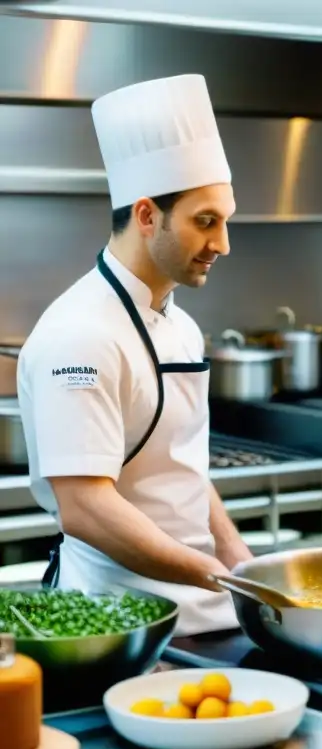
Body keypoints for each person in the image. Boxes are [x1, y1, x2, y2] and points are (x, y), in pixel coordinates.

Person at [16, 74, 250, 636]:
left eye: (225, 220)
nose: (222, 244)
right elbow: (86, 507)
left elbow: (179, 466)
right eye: (205, 221)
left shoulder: (183, 326)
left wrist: (239, 559)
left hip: (203, 615)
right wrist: (217, 576)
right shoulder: (80, 334)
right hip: (115, 626)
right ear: (147, 216)